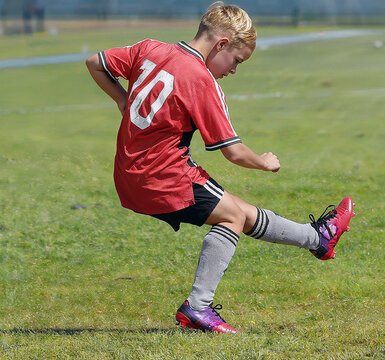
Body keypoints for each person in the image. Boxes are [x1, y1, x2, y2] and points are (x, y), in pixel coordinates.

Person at [85, 2, 354, 334]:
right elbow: (235, 153)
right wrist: (265, 162)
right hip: (162, 175)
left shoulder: (149, 48)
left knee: (239, 209)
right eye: (237, 61)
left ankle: (318, 240)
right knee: (232, 217)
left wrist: (122, 100)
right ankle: (197, 307)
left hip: (130, 172)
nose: (234, 70)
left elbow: (95, 63)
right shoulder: (200, 79)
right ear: (222, 43)